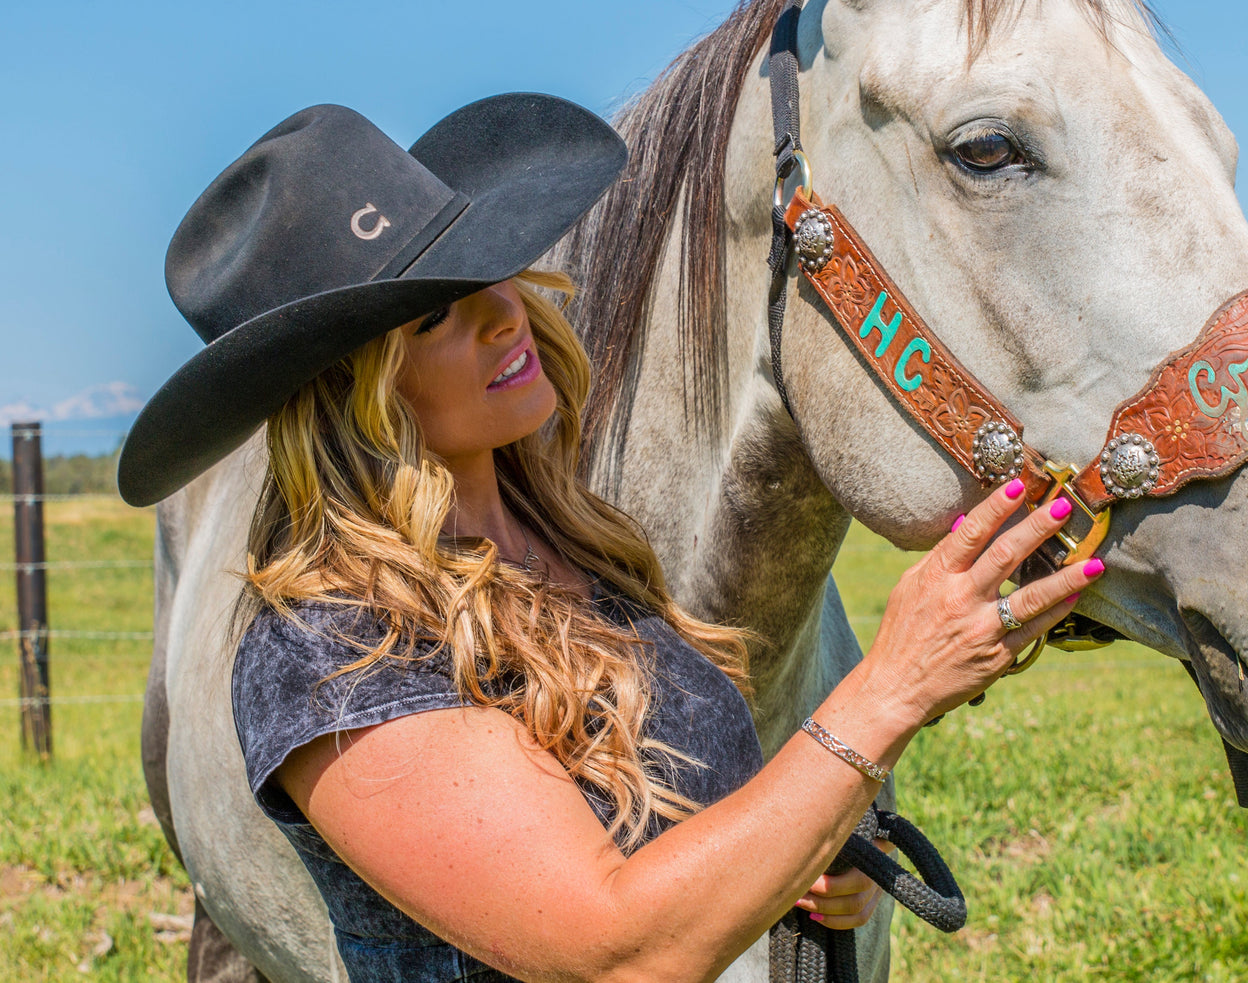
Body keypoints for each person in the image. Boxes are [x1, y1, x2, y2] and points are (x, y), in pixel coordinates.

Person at [118, 94, 1104, 982]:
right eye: (433, 317)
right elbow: (614, 948)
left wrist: (794, 866)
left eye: (491, 272)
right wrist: (892, 686)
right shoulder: (334, 655)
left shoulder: (579, 551)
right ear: (351, 396)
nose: (507, 314)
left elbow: (675, 824)